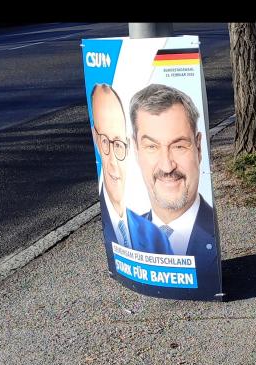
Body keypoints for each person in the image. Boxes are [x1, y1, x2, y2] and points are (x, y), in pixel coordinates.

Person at [129, 82, 218, 288]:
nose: (167, 166)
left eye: (178, 146)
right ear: (135, 150)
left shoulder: (211, 233)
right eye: (152, 146)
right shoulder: (127, 235)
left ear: (198, 147)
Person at [90, 83, 165, 257]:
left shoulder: (154, 235)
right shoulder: (109, 223)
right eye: (104, 141)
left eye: (118, 144)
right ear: (95, 139)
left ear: (129, 145)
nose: (113, 162)